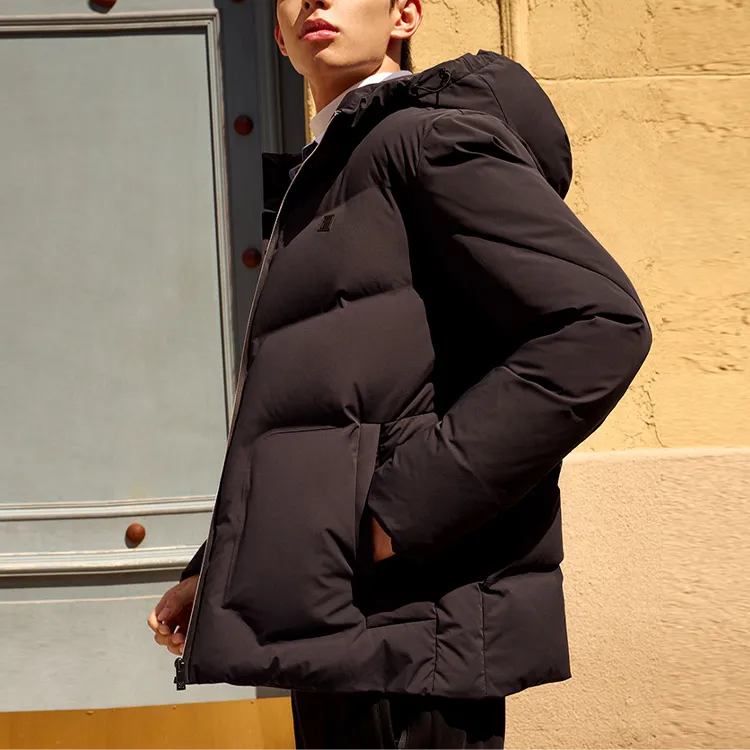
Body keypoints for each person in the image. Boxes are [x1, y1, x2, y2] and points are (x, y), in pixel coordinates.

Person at [147, 0, 653, 747]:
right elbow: (313, 412)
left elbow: (599, 327)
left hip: (412, 626)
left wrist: (393, 516)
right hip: (343, 617)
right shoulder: (329, 169)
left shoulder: (424, 140)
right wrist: (220, 566)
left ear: (405, 15)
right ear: (278, 37)